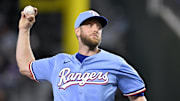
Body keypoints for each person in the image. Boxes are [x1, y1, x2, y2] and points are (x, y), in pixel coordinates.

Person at [16, 7, 147, 101]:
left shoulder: (115, 63)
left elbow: (138, 97)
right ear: (77, 31)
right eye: (89, 25)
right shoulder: (58, 62)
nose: (95, 29)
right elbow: (25, 66)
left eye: (99, 27)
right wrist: (24, 30)